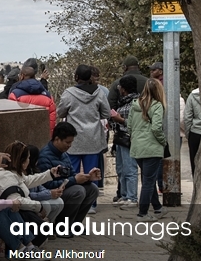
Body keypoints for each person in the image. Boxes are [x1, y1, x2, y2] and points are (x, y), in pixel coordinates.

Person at [0, 142, 64, 252]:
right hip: (8, 214)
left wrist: (50, 174)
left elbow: (28, 180)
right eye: (28, 158)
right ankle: (23, 248)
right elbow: (16, 200)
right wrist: (39, 207)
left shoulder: (13, 173)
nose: (29, 161)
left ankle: (29, 246)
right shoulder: (5, 176)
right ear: (22, 161)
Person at [56, 65, 110, 212]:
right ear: (90, 77)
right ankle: (91, 205)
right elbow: (106, 113)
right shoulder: (99, 92)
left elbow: (60, 112)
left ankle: (73, 201)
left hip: (73, 140)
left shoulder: (69, 93)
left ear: (76, 77)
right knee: (92, 172)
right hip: (93, 138)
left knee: (72, 173)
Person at [35, 122, 101, 233]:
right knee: (78, 191)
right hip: (51, 192)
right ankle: (62, 226)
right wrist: (74, 180)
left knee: (92, 189)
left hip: (64, 188)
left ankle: (75, 224)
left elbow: (72, 174)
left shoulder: (64, 154)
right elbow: (46, 184)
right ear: (57, 139)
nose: (69, 145)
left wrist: (88, 178)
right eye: (67, 142)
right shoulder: (44, 156)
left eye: (71, 142)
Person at [128, 78, 168, 220]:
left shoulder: (135, 104)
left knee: (148, 178)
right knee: (148, 183)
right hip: (152, 148)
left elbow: (129, 127)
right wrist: (163, 141)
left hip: (137, 148)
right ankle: (142, 213)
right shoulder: (157, 106)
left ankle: (157, 208)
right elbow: (156, 128)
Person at [109, 76, 140, 208]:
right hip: (120, 138)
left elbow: (136, 123)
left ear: (124, 88)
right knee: (121, 168)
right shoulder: (123, 102)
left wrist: (121, 120)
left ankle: (132, 197)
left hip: (129, 139)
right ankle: (124, 195)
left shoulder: (136, 102)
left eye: (120, 87)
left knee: (130, 168)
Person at [6, 65, 57, 131]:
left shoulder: (15, 95)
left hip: (22, 133)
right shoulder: (48, 95)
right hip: (43, 133)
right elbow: (52, 118)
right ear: (34, 76)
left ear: (22, 76)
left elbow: (11, 118)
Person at [182, 87, 201, 178]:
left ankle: (196, 181)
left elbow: (187, 117)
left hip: (195, 132)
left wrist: (188, 134)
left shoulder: (192, 96)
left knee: (194, 161)